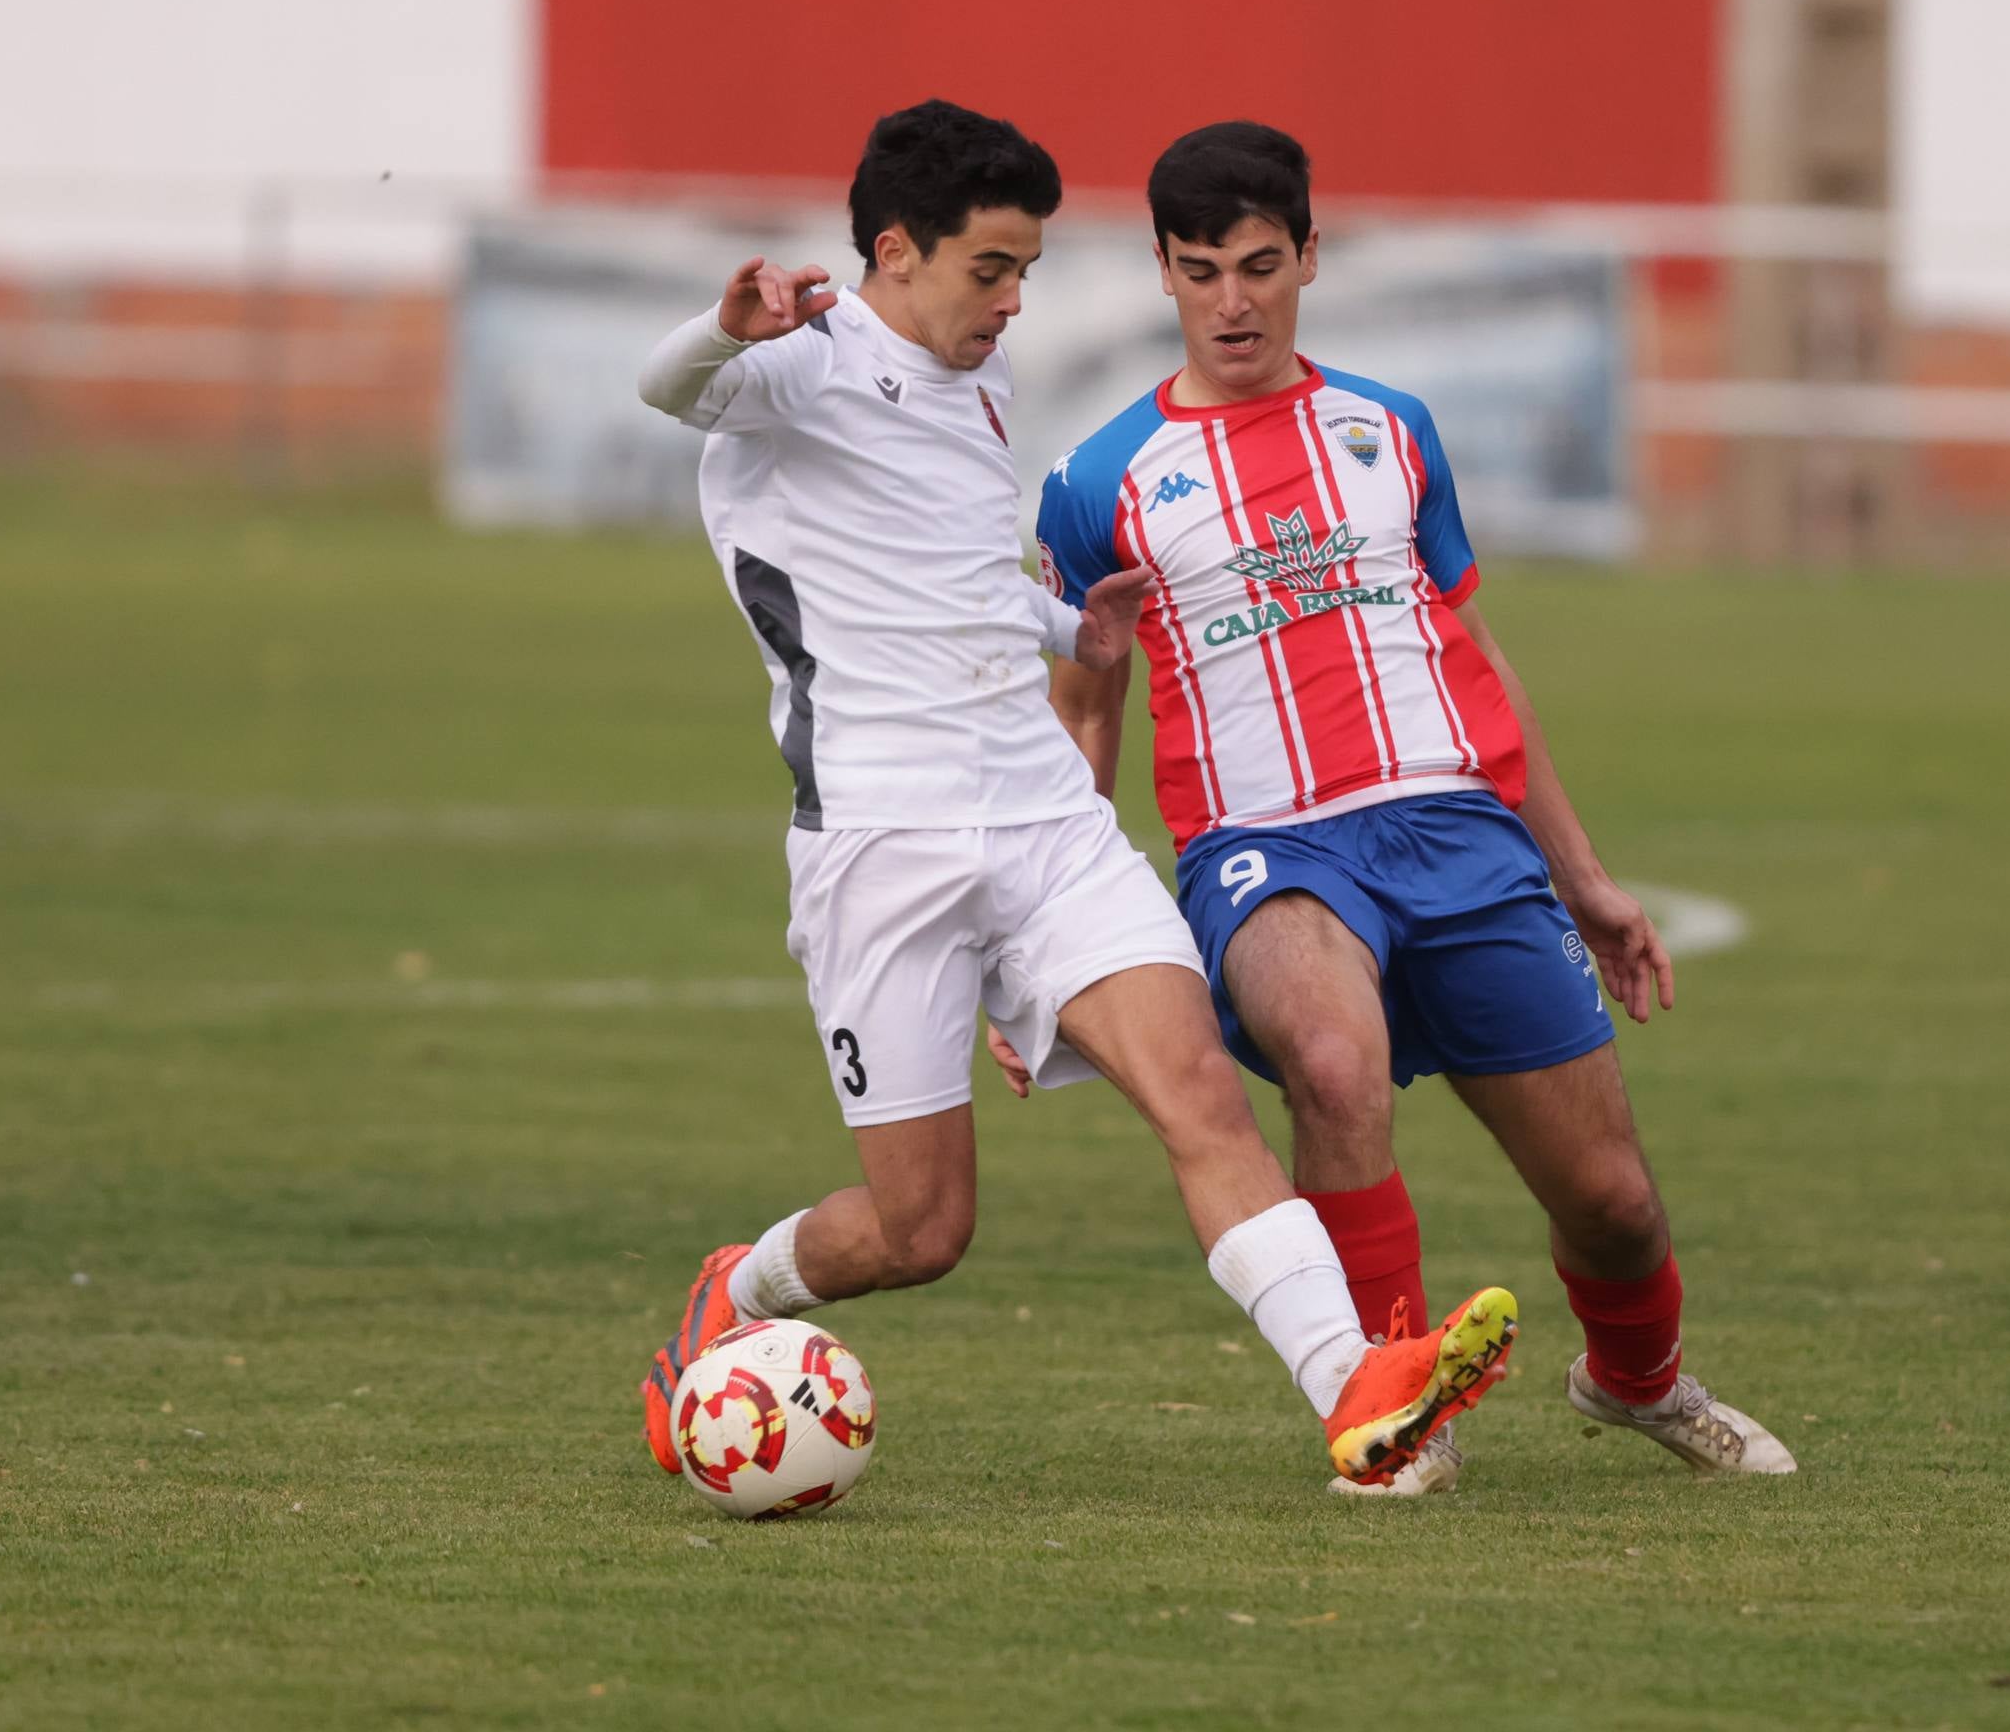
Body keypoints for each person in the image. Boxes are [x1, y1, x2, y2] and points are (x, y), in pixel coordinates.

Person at [632, 101, 1517, 1490]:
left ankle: (1358, 1399)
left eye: (1028, 271)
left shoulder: (978, 391)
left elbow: (959, 581)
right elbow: (668, 391)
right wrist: (723, 323)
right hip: (882, 843)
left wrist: (1074, 637)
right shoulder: (793, 366)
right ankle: (740, 1288)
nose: (1012, 300)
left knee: (1203, 1102)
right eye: (991, 269)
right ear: (897, 250)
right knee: (921, 1233)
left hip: (1045, 820)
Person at [1019, 120, 1794, 1495]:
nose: (1233, 302)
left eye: (1260, 265)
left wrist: (1587, 878)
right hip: (1264, 851)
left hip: (1455, 830)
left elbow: (1475, 661)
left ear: (1310, 255)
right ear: (1161, 272)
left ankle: (1638, 1383)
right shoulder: (1099, 484)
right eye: (1200, 272)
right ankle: (1394, 1412)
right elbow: (1086, 708)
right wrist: (1045, 944)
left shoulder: (1390, 432)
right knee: (1330, 1062)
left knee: (1610, 1205)